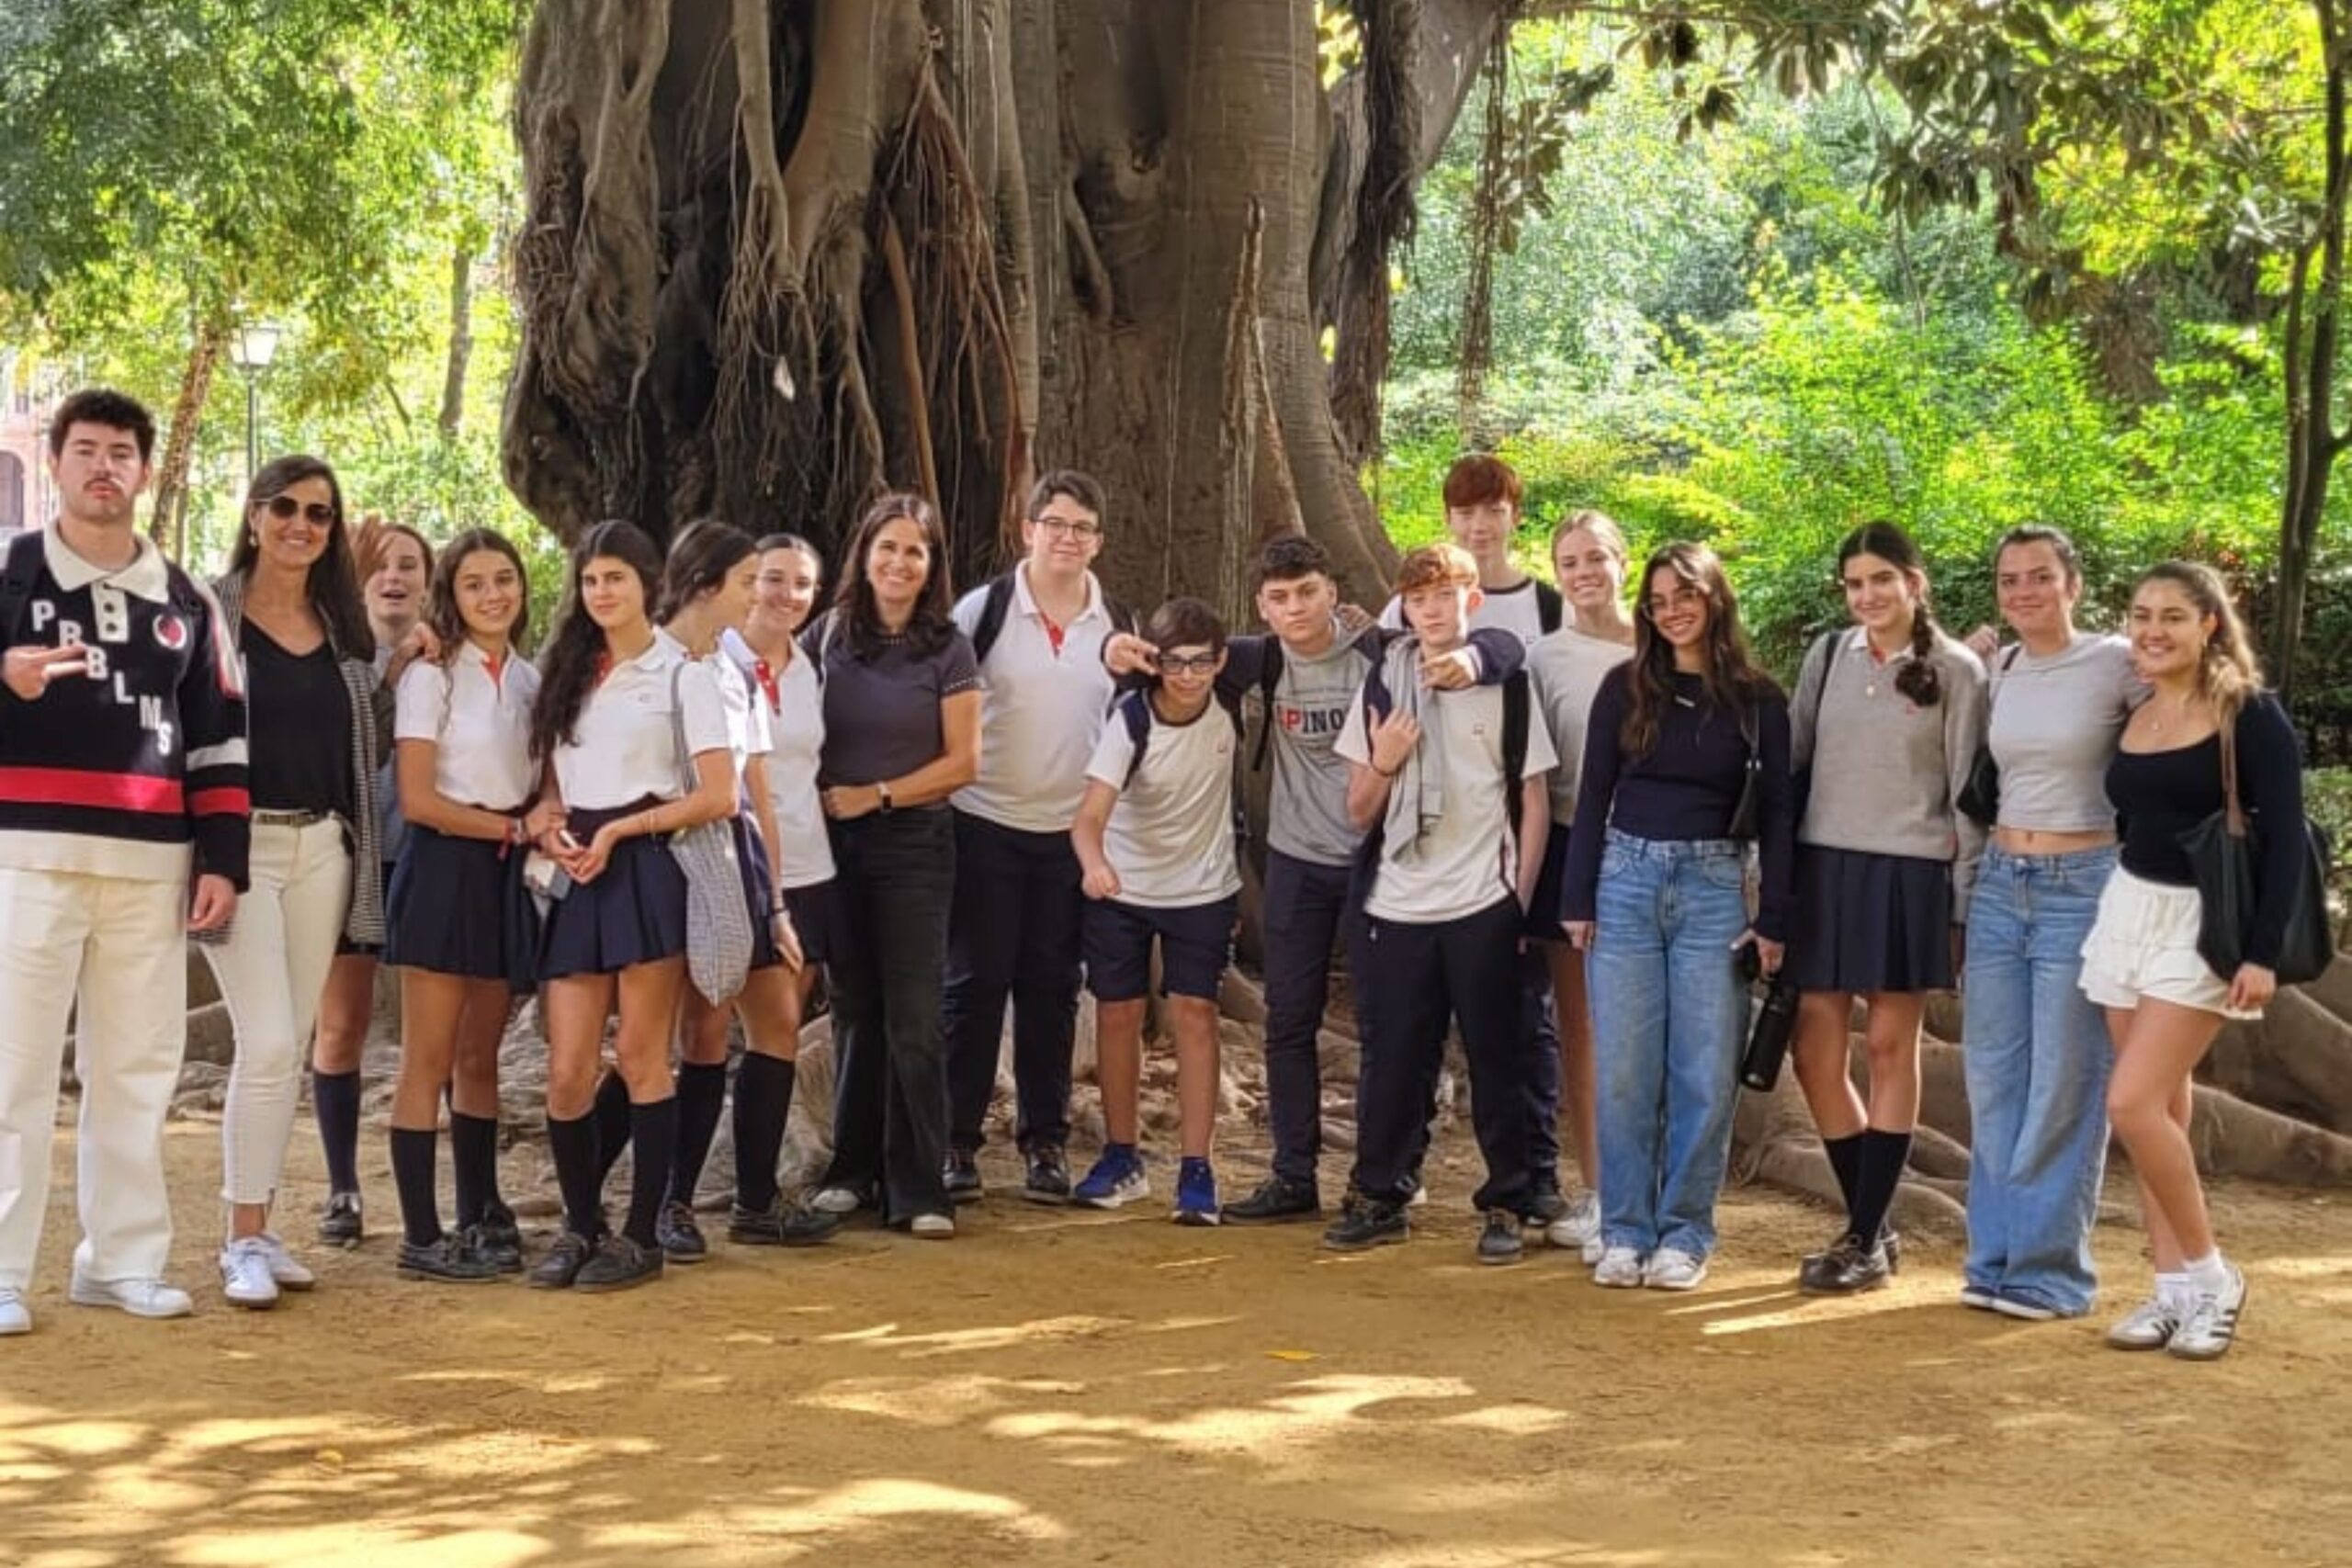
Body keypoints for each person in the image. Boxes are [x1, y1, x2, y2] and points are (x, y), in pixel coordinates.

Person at [1109, 535, 1524, 1224]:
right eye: (1279, 597)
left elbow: (1504, 651)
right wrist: (1110, 652)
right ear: (1261, 608)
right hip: (1296, 864)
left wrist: (1477, 655)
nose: (1295, 607)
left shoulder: (1377, 650)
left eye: (1307, 591)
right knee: (1288, 1021)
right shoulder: (1256, 659)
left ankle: (1391, 1169)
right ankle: (1293, 1173)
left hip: (1377, 863)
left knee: (1392, 1025)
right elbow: (1162, 667)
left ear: (1334, 591)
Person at [0, 389, 248, 1337]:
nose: (105, 468)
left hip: (151, 865)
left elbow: (219, 738)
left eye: (121, 454)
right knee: (13, 1070)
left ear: (145, 471)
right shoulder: (11, 573)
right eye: (87, 451)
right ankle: (4, 1270)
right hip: (26, 858)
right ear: (57, 464)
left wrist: (220, 857)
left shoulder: (185, 602)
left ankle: (123, 1261)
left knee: (138, 1067)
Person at [2083, 562, 2303, 1360]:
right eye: (2141, 614)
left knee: (2131, 1103)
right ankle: (2171, 1289)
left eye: (2172, 616)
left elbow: (2285, 845)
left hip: (2203, 927)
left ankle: (2214, 1276)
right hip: (2128, 910)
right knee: (2160, 1118)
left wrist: (2262, 953)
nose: (2152, 630)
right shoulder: (2139, 708)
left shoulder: (2251, 715)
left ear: (2210, 622)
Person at [1562, 543, 1795, 1291]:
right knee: (1627, 1069)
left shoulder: (1760, 700)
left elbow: (1782, 819)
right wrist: (1578, 899)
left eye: (1683, 596)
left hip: (1714, 888)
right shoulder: (1624, 688)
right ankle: (1625, 1227)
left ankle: (1686, 1231)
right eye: (1657, 602)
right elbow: (1592, 795)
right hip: (1625, 882)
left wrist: (1776, 920)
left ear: (1714, 598)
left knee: (1703, 1070)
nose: (1671, 612)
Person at [205, 456, 405, 1310]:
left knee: (287, 1044)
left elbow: (372, 740)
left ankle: (260, 1227)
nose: (301, 524)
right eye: (284, 506)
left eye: (319, 513)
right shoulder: (207, 611)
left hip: (325, 850)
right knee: (273, 1043)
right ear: (254, 516)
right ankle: (241, 1236)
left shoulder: (341, 623)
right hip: (235, 853)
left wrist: (399, 662)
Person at [1327, 543, 1557, 1264]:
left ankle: (1509, 1200)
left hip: (1481, 898)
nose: (1430, 610)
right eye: (1417, 598)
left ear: (1471, 601)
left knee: (1499, 1055)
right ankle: (1382, 1191)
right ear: (1403, 606)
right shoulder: (1384, 683)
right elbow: (1358, 808)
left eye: (1444, 595)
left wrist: (1516, 898)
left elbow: (1532, 794)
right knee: (1395, 1057)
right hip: (1396, 901)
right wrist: (1389, 758)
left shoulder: (1507, 683)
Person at [526, 521, 736, 1292]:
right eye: (589, 579)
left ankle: (644, 1231)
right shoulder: (568, 672)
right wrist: (550, 824)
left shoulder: (686, 675)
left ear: (649, 583)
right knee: (567, 1067)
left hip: (647, 866)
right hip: (578, 871)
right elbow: (551, 781)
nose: (601, 592)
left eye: (616, 576)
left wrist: (622, 829)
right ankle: (582, 1226)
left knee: (644, 1057)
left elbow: (719, 794)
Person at [1785, 521, 1987, 1294]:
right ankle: (1872, 1220)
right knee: (1814, 1053)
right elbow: (1794, 767)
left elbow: (1968, 796)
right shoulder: (1829, 656)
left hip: (1910, 877)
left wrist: (1962, 906)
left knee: (1889, 1050)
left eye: (1881, 580)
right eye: (1854, 583)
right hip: (1824, 868)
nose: (1866, 596)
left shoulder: (1958, 670)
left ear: (1914, 581)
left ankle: (1864, 1236)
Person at [1379, 455, 1567, 1227]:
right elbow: (1379, 670)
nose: (1480, 524)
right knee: (1410, 1030)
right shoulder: (1407, 614)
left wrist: (1484, 652)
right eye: (1466, 511)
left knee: (1525, 1024)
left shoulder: (1546, 605)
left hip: (1537, 826)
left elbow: (1517, 660)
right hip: (1420, 858)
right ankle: (1397, 1175)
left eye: (1493, 510)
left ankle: (1535, 1177)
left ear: (1515, 515)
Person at [1956, 526, 2138, 1322]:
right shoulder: (2000, 667)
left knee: (2067, 1076)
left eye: (2039, 577)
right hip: (2001, 882)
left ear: (2073, 582)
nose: (2023, 591)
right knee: (1993, 1075)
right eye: (2009, 579)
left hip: (2084, 883)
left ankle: (2049, 1270)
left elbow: (2195, 721)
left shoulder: (2117, 660)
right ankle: (1992, 1258)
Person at [624, 520, 808, 1260]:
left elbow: (755, 783)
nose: (757, 595)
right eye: (745, 581)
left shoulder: (735, 667)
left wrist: (777, 897)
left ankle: (752, 1198)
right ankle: (667, 1199)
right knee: (686, 1036)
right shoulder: (648, 662)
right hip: (673, 853)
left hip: (740, 859)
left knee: (778, 1017)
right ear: (706, 584)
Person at [943, 472, 1129, 1205]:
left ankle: (1044, 1142)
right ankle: (957, 1141)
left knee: (1052, 991)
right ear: (1027, 530)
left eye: (1082, 528)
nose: (1067, 538)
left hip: (1070, 834)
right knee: (973, 986)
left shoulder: (1114, 625)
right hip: (982, 820)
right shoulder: (982, 612)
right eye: (1055, 523)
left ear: (1098, 541)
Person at [803, 495, 981, 1238]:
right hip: (835, 847)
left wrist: (875, 794)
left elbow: (963, 762)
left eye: (916, 551)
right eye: (888, 548)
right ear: (864, 554)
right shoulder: (829, 634)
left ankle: (919, 1183)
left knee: (914, 1015)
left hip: (914, 845)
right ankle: (852, 1168)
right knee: (854, 1009)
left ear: (933, 564)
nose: (899, 563)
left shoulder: (948, 647)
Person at [382, 528, 543, 1282]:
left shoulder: (534, 680)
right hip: (445, 866)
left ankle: (482, 1210)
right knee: (429, 1056)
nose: (492, 595)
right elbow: (417, 799)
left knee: (480, 1055)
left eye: (504, 578)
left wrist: (531, 826)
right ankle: (421, 1231)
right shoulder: (432, 675)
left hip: (505, 873)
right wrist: (511, 825)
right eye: (474, 583)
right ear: (451, 594)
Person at [1069, 598, 1242, 1223]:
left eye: (1202, 662)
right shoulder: (1132, 720)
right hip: (1125, 889)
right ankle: (1122, 1154)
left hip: (1204, 888)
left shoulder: (1235, 694)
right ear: (1156, 660)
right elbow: (1088, 818)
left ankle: (1197, 1167)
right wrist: (1095, 866)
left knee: (1195, 1013)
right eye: (1175, 661)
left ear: (1222, 660)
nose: (1189, 675)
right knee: (1119, 1013)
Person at [310, 518, 433, 1247]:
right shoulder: (334, 652)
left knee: (435, 1033)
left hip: (428, 860)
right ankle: (343, 1188)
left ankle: (445, 1194)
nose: (394, 577)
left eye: (409, 565)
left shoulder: (446, 655)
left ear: (427, 579)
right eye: (380, 566)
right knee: (343, 1024)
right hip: (351, 858)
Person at [719, 533, 839, 1245]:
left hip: (809, 868)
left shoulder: (808, 667)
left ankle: (757, 1195)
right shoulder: (714, 659)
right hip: (739, 868)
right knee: (706, 1034)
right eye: (772, 579)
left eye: (800, 584)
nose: (785, 595)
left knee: (780, 1035)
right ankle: (669, 1195)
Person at [1525, 510, 1637, 1256]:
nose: (1584, 572)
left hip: (1658, 846)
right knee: (1585, 1028)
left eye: (1596, 557)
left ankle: (1654, 1191)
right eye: (1569, 561)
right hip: (1571, 846)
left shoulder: (1667, 645)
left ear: (1623, 562)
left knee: (1650, 1025)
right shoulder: (1545, 656)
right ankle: (1601, 1190)